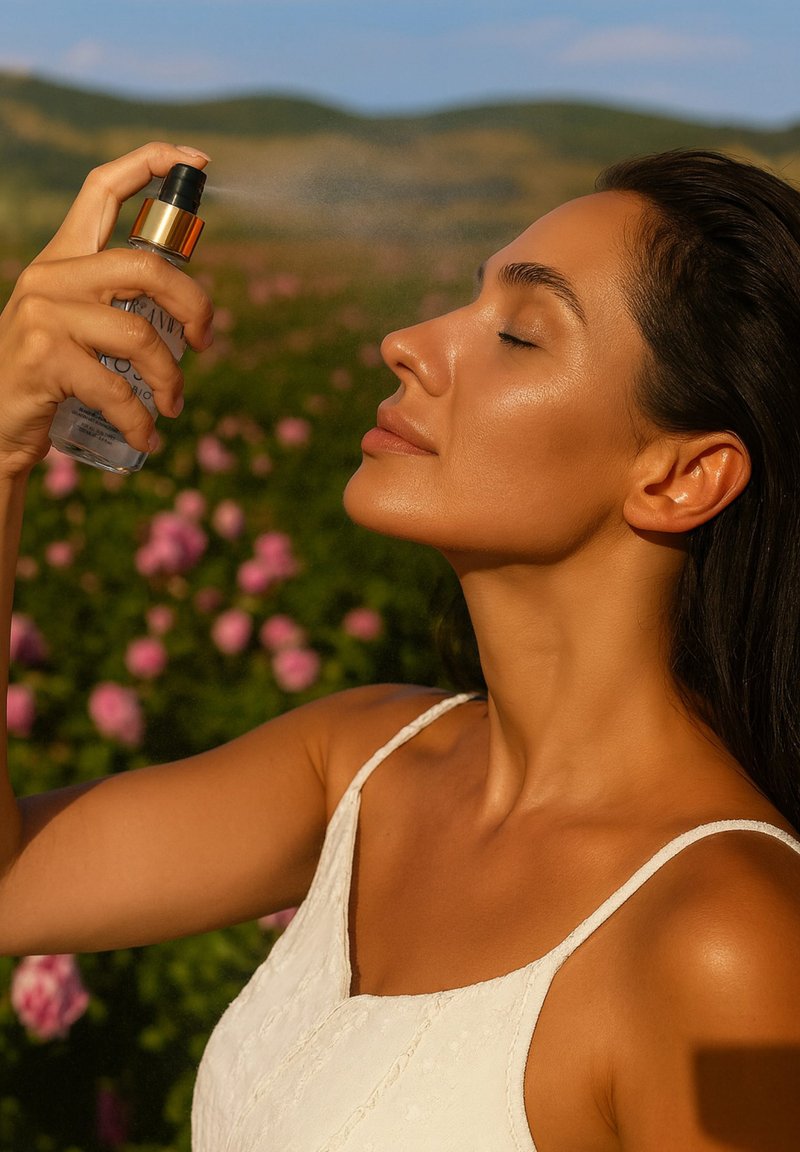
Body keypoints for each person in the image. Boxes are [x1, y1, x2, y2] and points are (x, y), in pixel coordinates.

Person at [1, 141, 800, 1151]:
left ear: (680, 476)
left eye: (517, 334)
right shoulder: (361, 766)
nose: (407, 342)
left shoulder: (724, 943)